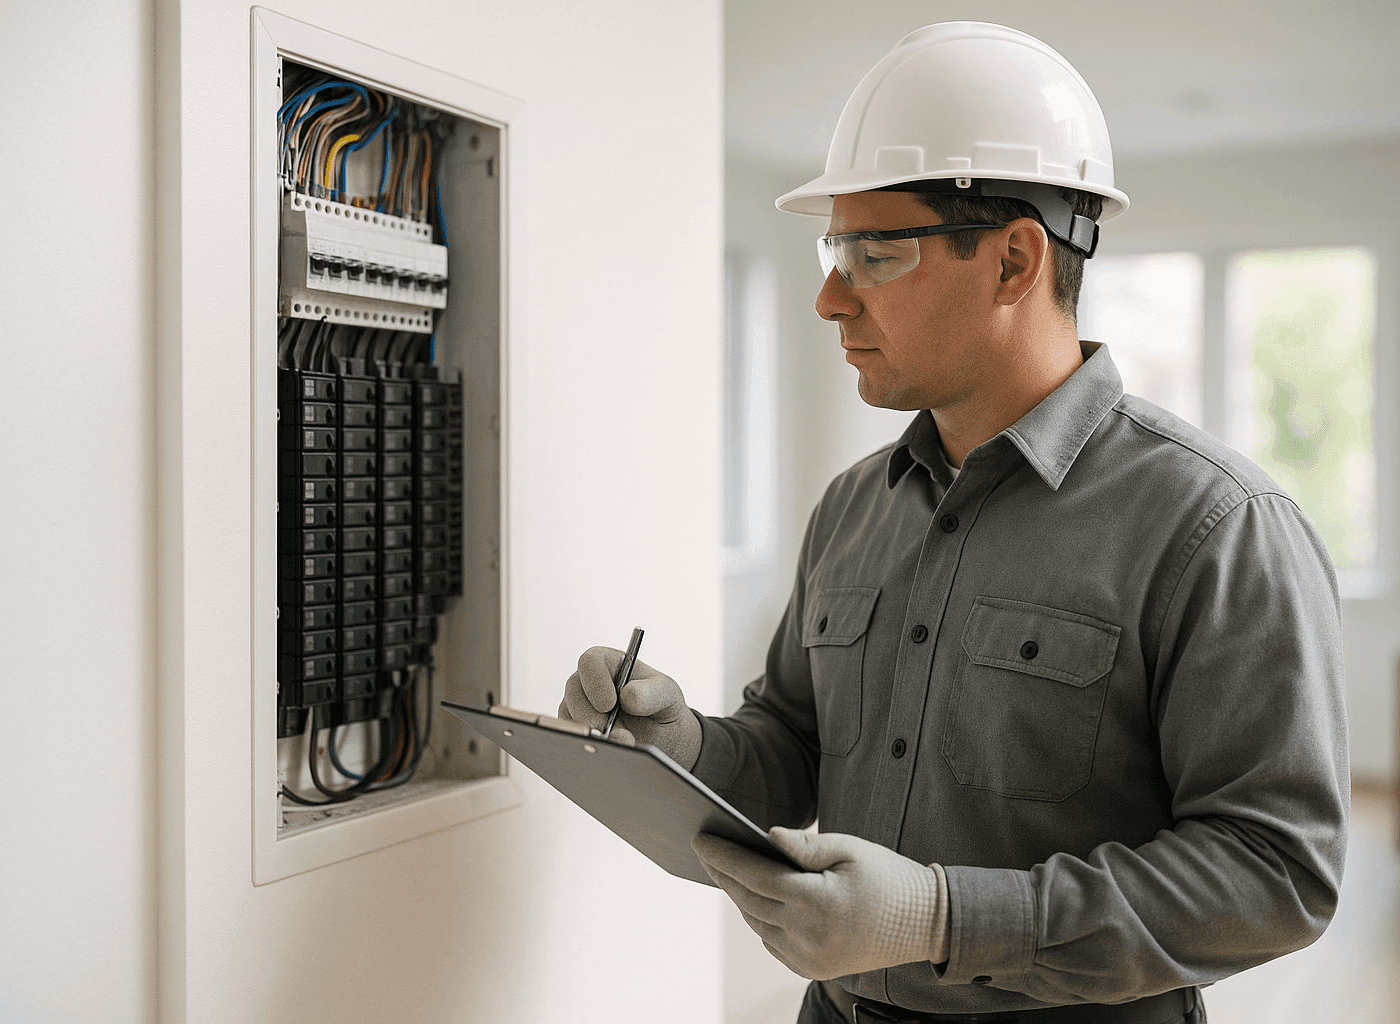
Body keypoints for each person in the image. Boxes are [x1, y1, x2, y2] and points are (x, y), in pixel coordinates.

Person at [560, 22, 1347, 1024]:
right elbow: (793, 746)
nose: (828, 298)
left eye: (874, 255)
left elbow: (1277, 872)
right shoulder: (854, 507)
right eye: (833, 250)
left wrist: (941, 920)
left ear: (1015, 261)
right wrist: (679, 745)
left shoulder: (1215, 526)